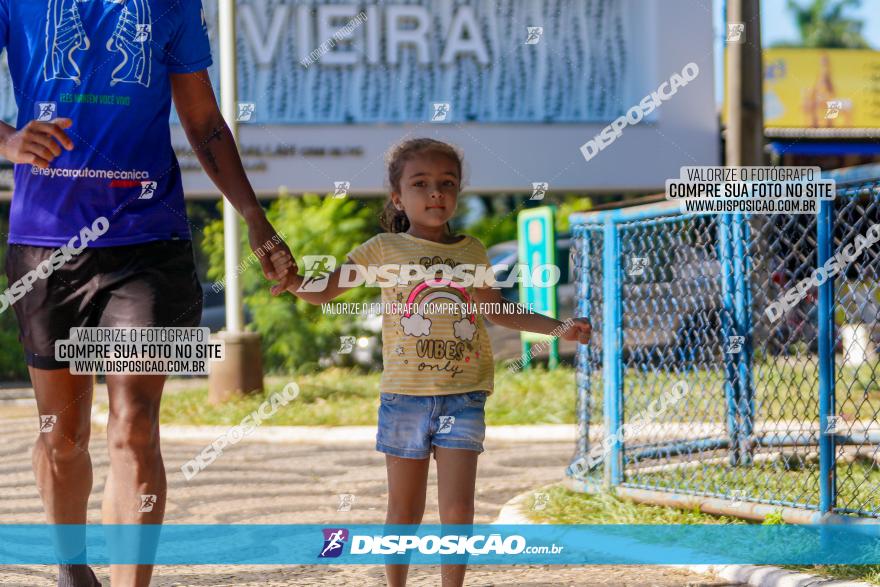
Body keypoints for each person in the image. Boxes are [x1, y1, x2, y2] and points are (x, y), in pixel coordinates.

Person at [0, 1, 295, 585]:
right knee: (62, 435)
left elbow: (205, 122)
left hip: (149, 240)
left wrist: (254, 218)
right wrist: (9, 142)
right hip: (44, 245)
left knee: (135, 426)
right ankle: (71, 565)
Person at [271, 138, 591, 586]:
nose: (435, 192)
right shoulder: (383, 249)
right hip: (405, 400)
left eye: (447, 183)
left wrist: (558, 328)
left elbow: (496, 309)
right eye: (420, 184)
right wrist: (291, 281)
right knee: (405, 509)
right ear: (398, 197)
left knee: (458, 509)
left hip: (465, 398)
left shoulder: (472, 251)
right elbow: (324, 290)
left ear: (458, 193)